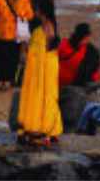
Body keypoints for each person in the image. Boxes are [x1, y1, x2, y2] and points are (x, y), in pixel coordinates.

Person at [16, 18, 62, 146]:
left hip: (39, 70)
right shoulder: (52, 56)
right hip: (42, 68)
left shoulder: (40, 32)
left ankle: (38, 132)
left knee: (38, 97)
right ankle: (42, 132)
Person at [0, 0, 32, 91]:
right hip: (1, 33)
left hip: (16, 34)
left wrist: (21, 16)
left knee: (13, 58)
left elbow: (30, 14)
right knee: (1, 59)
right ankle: (3, 82)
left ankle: (11, 79)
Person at [58, 23, 100, 88]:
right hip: (73, 88)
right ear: (86, 36)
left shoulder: (63, 43)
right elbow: (84, 77)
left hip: (59, 83)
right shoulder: (88, 52)